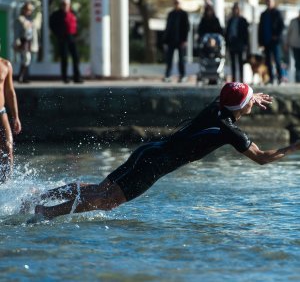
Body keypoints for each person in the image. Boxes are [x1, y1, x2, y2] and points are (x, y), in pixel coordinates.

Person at [30, 82, 300, 221]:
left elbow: (232, 99)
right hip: (155, 165)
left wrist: (249, 97)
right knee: (107, 200)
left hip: (148, 152)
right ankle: (47, 212)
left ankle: (41, 196)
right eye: (250, 98)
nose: (254, 99)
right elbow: (262, 158)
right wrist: (294, 147)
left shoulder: (215, 108)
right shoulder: (231, 131)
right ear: (242, 106)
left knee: (99, 190)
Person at [0, 43, 22, 184]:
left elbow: (10, 92)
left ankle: (6, 183)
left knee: (8, 146)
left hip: (1, 112)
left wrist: (16, 117)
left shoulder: (5, 65)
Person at [49, 0, 83, 83]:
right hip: (62, 37)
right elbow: (52, 25)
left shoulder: (73, 13)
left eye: (67, 4)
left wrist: (77, 34)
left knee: (76, 57)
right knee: (64, 57)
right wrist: (58, 34)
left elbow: (77, 24)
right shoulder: (56, 14)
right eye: (63, 4)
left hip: (72, 37)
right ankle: (65, 77)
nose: (65, 6)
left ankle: (77, 77)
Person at [258, 0, 284, 84]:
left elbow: (281, 26)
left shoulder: (277, 13)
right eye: (267, 1)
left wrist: (276, 36)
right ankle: (271, 78)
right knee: (268, 61)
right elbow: (260, 29)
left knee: (277, 60)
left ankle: (280, 78)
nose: (268, 3)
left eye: (270, 1)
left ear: (273, 2)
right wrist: (260, 42)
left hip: (275, 41)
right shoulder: (263, 14)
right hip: (266, 41)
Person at [163, 0, 190, 83]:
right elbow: (167, 28)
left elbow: (186, 28)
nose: (176, 4)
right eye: (175, 3)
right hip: (171, 40)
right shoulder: (171, 14)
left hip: (180, 41)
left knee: (181, 60)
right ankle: (167, 75)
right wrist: (165, 41)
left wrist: (185, 40)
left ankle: (183, 75)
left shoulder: (184, 14)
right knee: (169, 60)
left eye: (178, 2)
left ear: (180, 4)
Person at [225, 2, 249, 82]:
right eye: (234, 9)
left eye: (237, 9)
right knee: (233, 63)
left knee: (240, 63)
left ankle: (242, 80)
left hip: (240, 44)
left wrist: (246, 44)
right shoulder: (230, 20)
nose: (235, 11)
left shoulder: (243, 20)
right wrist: (227, 43)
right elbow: (227, 32)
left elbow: (246, 33)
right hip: (232, 44)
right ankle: (234, 79)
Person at [14, 2, 36, 83]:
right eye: (27, 9)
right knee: (26, 58)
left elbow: (33, 32)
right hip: (23, 41)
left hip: (29, 41)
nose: (28, 11)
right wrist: (17, 41)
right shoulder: (20, 19)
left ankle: (24, 77)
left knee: (27, 59)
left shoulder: (31, 19)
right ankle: (21, 76)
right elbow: (16, 31)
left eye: (30, 10)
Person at [285, 9, 300, 82]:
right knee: (297, 61)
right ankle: (298, 78)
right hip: (295, 45)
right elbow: (288, 33)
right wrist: (287, 43)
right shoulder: (293, 21)